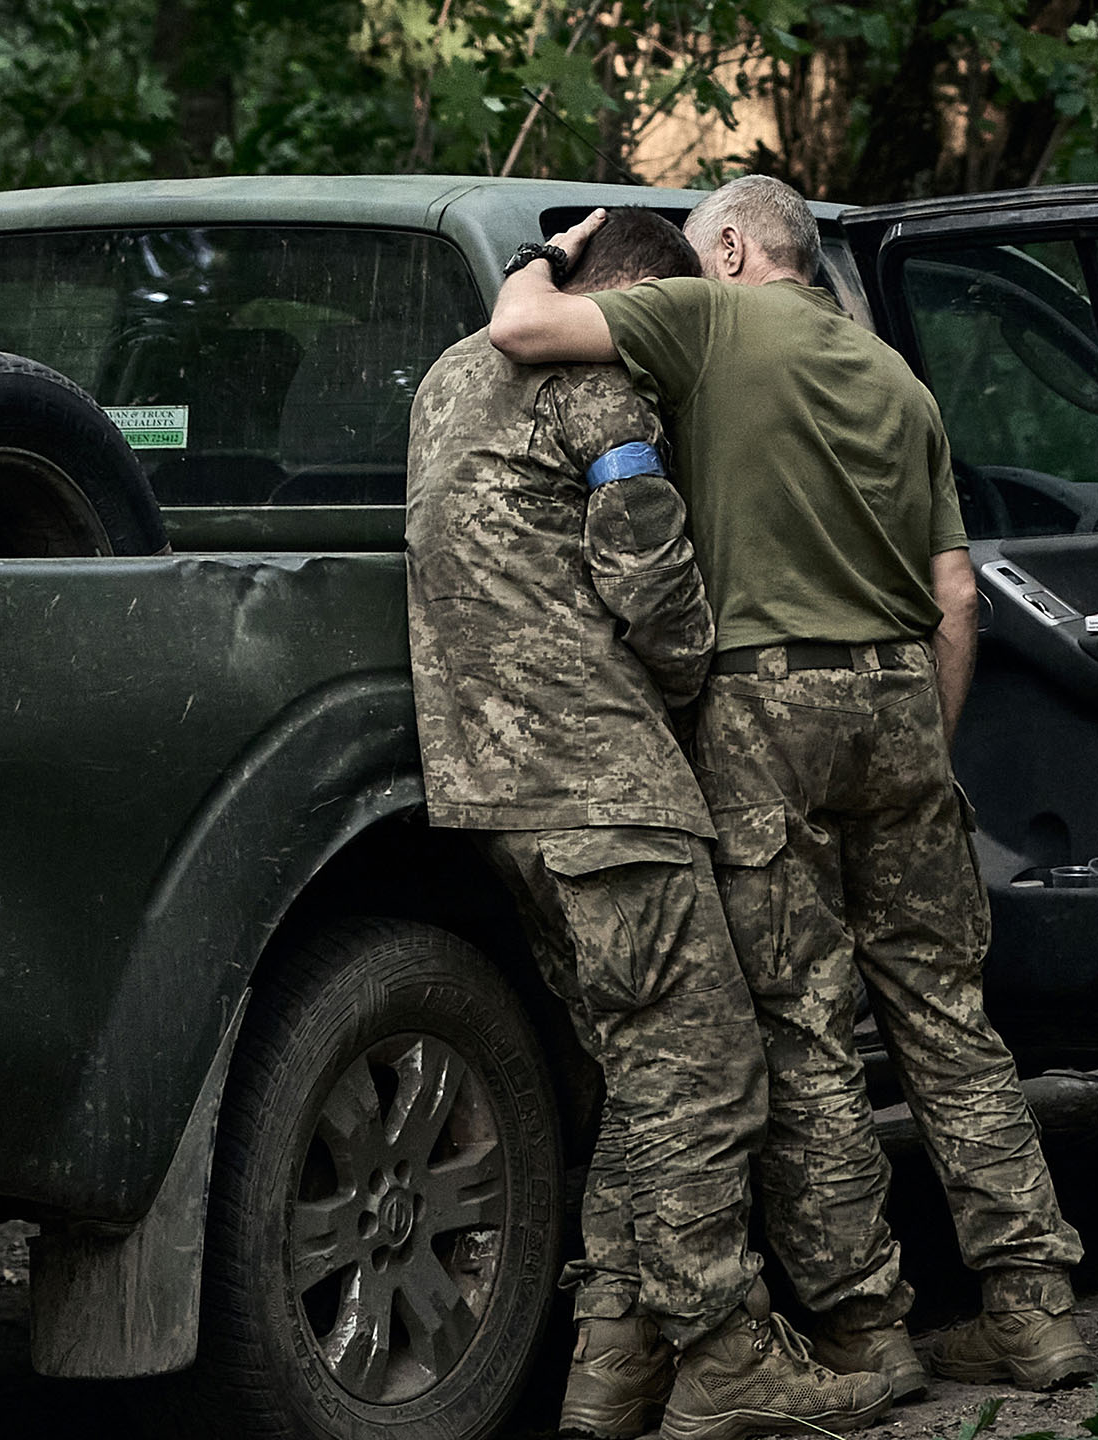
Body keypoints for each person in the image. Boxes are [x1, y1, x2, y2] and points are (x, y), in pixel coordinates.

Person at [485, 178, 1095, 1399]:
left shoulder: (711, 318)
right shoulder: (898, 381)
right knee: (949, 1020)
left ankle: (868, 1329)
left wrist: (555, 253)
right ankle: (1035, 1311)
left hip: (763, 707)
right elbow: (958, 598)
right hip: (903, 703)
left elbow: (520, 331)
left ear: (727, 245)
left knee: (807, 1029)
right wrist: (922, 741)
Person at [406, 207, 893, 1440]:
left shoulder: (448, 377)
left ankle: (611, 1372)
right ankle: (728, 1359)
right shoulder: (600, 383)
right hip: (605, 788)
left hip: (489, 791)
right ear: (631, 301)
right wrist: (698, 681)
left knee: (644, 1081)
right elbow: (655, 583)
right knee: (715, 1078)